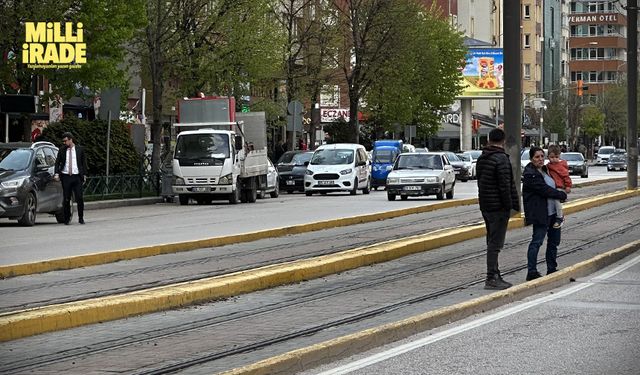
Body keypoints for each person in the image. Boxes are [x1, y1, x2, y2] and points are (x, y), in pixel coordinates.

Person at [476, 128, 520, 290]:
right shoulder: (501, 159)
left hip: (486, 205)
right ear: (503, 141)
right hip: (498, 207)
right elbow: (505, 185)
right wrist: (509, 205)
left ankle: (495, 273)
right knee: (495, 243)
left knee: (491, 240)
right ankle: (491, 277)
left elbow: (480, 181)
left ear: (489, 140)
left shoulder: (483, 158)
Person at [522, 146, 568, 281]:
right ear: (531, 159)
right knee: (537, 242)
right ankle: (531, 271)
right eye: (537, 157)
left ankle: (551, 269)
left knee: (554, 242)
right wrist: (561, 194)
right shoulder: (530, 173)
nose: (540, 159)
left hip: (553, 212)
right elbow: (544, 190)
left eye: (542, 156)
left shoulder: (546, 170)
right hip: (541, 214)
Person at [54, 132, 88, 225]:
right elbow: (57, 162)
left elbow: (83, 163)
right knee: (66, 198)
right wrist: (56, 173)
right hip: (66, 177)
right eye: (63, 141)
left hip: (77, 177)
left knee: (79, 197)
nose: (64, 143)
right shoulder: (62, 150)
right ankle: (67, 218)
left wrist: (84, 174)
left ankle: (81, 217)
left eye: (65, 141)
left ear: (70, 139)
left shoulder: (79, 149)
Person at [546, 145, 572, 228]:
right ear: (548, 157)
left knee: (557, 202)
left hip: (560, 187)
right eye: (552, 157)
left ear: (559, 156)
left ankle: (560, 217)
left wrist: (568, 186)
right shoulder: (548, 166)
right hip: (553, 188)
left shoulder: (561, 166)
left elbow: (566, 176)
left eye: (556, 157)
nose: (554, 159)